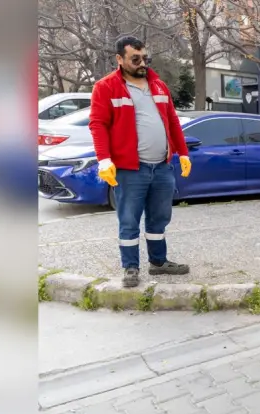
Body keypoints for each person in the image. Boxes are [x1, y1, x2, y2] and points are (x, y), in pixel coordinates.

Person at [89, 36, 191, 288]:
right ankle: (130, 268)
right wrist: (104, 160)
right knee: (129, 220)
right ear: (119, 59)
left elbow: (173, 121)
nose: (142, 63)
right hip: (130, 170)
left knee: (159, 218)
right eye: (135, 59)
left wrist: (183, 152)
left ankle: (158, 262)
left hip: (162, 167)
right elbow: (98, 124)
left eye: (145, 58)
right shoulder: (107, 87)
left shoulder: (158, 85)